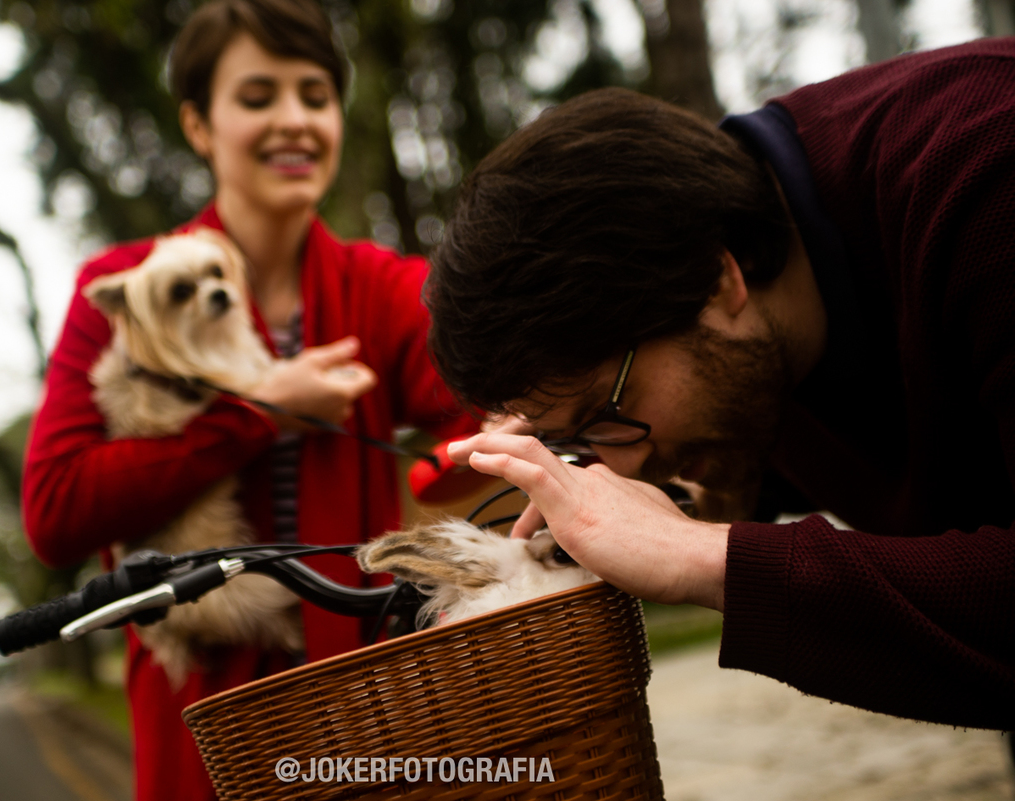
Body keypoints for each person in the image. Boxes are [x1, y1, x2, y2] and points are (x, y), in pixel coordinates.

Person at [426, 37, 1015, 730]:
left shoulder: (985, 166)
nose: (621, 464)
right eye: (578, 440)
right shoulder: (762, 340)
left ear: (718, 276)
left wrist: (704, 557)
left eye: (609, 409)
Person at [20, 1, 473, 798]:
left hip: (361, 709)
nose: (295, 121)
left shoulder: (377, 288)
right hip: (199, 718)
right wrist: (261, 415)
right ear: (198, 125)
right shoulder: (120, 291)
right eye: (258, 97)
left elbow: (486, 391)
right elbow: (55, 510)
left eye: (316, 94)